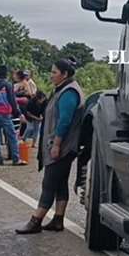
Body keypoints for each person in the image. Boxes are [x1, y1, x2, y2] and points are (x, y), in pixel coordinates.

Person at [17, 58, 84, 234]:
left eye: (54, 72)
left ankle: (36, 221)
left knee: (49, 183)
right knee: (60, 183)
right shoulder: (63, 89)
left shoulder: (69, 92)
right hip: (62, 145)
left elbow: (65, 121)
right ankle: (58, 219)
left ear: (65, 74)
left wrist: (57, 144)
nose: (51, 75)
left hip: (63, 146)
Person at [0, 65, 27, 166]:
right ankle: (16, 159)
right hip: (5, 114)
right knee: (12, 136)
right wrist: (18, 113)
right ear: (6, 74)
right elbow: (12, 101)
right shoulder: (7, 85)